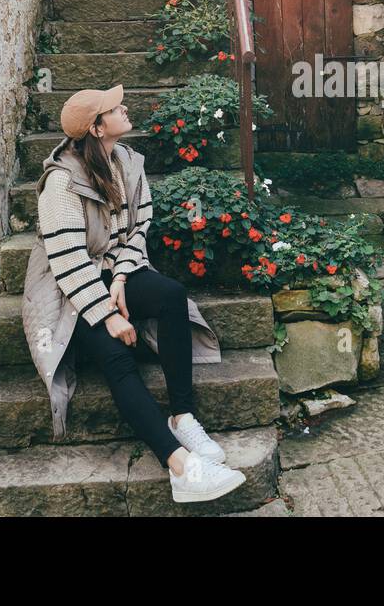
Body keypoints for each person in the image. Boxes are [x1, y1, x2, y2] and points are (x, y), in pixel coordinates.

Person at [20, 83, 246, 503]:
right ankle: (180, 466)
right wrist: (108, 313)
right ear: (95, 127)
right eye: (114, 108)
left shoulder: (125, 161)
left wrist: (122, 279)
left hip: (112, 271)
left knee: (171, 294)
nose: (124, 109)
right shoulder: (61, 183)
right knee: (115, 355)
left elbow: (138, 230)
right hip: (69, 291)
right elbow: (67, 262)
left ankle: (182, 416)